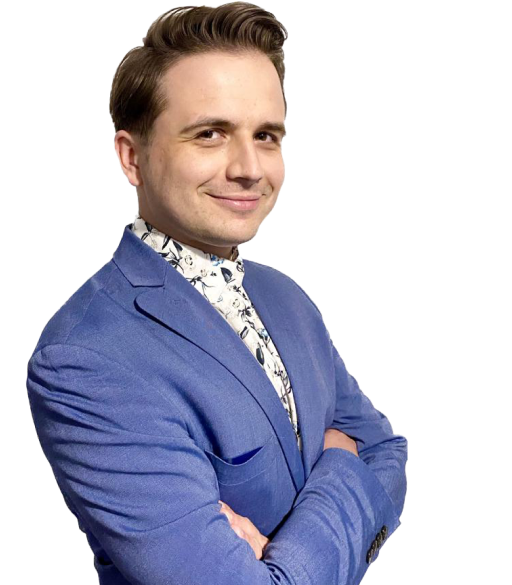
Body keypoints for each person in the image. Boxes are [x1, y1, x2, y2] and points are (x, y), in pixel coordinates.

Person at [25, 3, 408, 584]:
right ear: (131, 157)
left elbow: (387, 452)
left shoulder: (286, 296)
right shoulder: (84, 359)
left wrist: (296, 544)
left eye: (267, 136)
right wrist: (342, 462)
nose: (249, 168)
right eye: (210, 134)